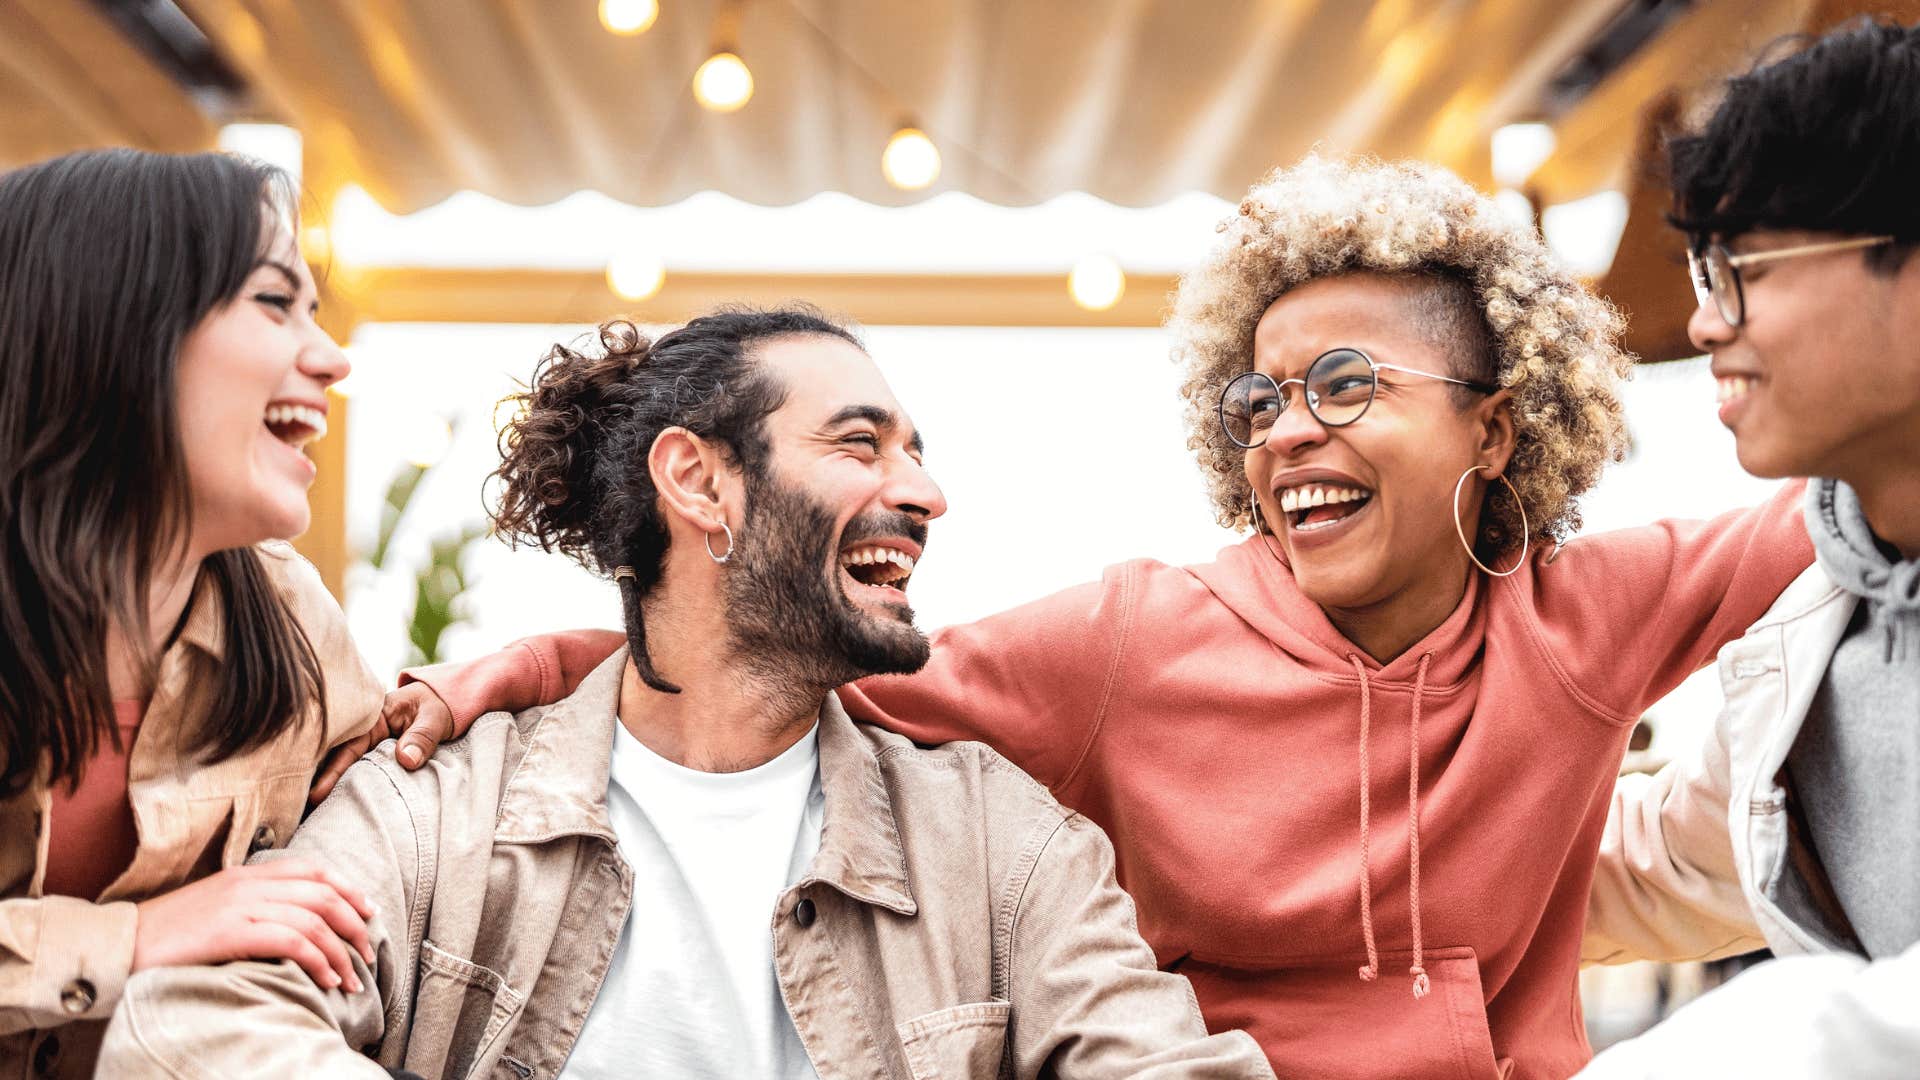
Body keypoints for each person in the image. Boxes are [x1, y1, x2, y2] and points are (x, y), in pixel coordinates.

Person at [388, 157, 1813, 1079]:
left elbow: (1857, 504)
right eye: (1259, 400)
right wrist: (539, 663)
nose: (1288, 434)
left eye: (1346, 385)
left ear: (1496, 431)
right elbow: (788, 665)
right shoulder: (1135, 643)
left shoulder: (1589, 619)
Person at [96, 310, 1273, 1078]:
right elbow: (193, 1023)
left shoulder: (998, 846)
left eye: (916, 451)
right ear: (699, 483)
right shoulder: (438, 811)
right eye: (861, 445)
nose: (924, 491)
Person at [0, 149, 468, 1080]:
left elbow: (402, 790)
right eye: (271, 302)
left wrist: (544, 663)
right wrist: (131, 939)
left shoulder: (287, 616)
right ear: (108, 323)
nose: (331, 357)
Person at [1579, 19, 1920, 1078]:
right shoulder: (1818, 633)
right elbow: (1668, 863)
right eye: (1698, 269)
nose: (1703, 324)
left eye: (1742, 268)